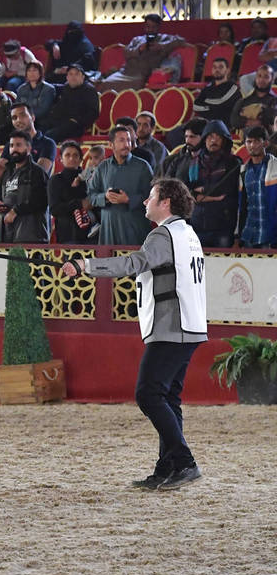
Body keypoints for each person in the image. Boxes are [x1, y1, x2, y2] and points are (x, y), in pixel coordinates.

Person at [62, 178, 207, 491]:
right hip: (190, 324)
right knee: (168, 398)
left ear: (165, 201)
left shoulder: (162, 234)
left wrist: (85, 264)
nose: (144, 202)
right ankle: (167, 468)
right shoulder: (188, 233)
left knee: (148, 394)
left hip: (171, 326)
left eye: (151, 197)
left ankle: (185, 462)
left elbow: (133, 263)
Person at [86, 127, 154, 245]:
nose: (126, 144)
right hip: (109, 229)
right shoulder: (103, 167)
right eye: (121, 140)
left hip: (135, 228)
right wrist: (105, 197)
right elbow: (91, 196)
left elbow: (152, 198)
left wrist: (129, 200)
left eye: (128, 140)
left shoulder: (143, 167)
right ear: (111, 144)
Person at [184, 120, 240, 248]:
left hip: (222, 226)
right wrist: (212, 196)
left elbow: (225, 189)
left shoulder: (233, 163)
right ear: (204, 139)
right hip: (197, 224)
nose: (213, 140)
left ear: (224, 140)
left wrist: (202, 192)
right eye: (210, 136)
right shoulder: (194, 162)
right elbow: (187, 190)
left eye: (217, 137)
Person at [99, 14, 185, 90]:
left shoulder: (164, 38)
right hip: (125, 72)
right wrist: (139, 49)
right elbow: (126, 53)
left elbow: (181, 40)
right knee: (105, 83)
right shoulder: (137, 39)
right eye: (148, 27)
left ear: (158, 27)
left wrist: (161, 46)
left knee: (134, 85)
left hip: (141, 74)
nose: (150, 30)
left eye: (153, 27)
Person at [0, 131, 49, 243]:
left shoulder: (37, 172)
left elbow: (41, 201)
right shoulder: (6, 173)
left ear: (28, 148)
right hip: (8, 235)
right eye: (11, 146)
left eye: (18, 145)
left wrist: (16, 211)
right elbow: (0, 196)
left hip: (32, 236)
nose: (14, 149)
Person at [238, 126, 277, 248]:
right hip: (249, 234)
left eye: (256, 141)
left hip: (271, 235)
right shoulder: (243, 170)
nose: (252, 145)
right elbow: (242, 205)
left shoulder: (275, 166)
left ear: (266, 143)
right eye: (249, 141)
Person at [49, 140, 93, 244]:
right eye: (67, 155)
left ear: (80, 159)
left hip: (91, 233)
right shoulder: (56, 180)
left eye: (75, 155)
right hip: (67, 234)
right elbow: (54, 209)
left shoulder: (90, 178)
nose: (71, 158)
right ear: (61, 159)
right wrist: (79, 203)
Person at [47, 65, 99, 142]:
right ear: (67, 77)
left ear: (83, 77)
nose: (73, 77)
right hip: (60, 122)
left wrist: (77, 121)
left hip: (77, 125)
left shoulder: (89, 90)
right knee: (39, 129)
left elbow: (93, 113)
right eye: (71, 74)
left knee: (49, 135)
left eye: (76, 74)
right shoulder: (65, 88)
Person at [191, 57, 240, 127]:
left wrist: (205, 104)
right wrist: (211, 108)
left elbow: (221, 102)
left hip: (222, 124)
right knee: (177, 132)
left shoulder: (233, 87)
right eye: (214, 67)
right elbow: (196, 106)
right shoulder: (208, 87)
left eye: (220, 67)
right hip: (206, 122)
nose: (217, 70)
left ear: (227, 70)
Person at [8, 103, 56, 173]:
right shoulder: (10, 144)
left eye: (22, 115)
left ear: (33, 117)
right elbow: (0, 170)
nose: (18, 120)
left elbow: (39, 174)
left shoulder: (47, 143)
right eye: (14, 118)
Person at [230, 64, 277, 134]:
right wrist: (251, 122)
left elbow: (271, 119)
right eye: (259, 76)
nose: (261, 80)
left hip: (267, 141)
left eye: (266, 77)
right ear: (255, 78)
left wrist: (247, 116)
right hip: (246, 141)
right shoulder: (243, 101)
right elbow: (234, 121)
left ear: (272, 79)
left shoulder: (274, 101)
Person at [14, 61, 55, 130]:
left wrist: (25, 117)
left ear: (40, 73)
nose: (31, 73)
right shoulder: (21, 89)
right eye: (29, 71)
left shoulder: (48, 89)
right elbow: (17, 106)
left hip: (40, 122)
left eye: (34, 70)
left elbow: (43, 110)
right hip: (22, 120)